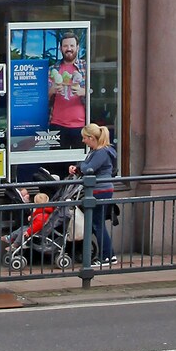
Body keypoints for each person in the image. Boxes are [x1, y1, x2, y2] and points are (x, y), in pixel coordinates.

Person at [70, 122, 117, 265]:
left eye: (85, 138)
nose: (83, 140)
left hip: (100, 190)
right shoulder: (97, 151)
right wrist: (78, 167)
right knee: (97, 223)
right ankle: (109, 255)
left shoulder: (101, 152)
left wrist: (80, 166)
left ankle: (106, 257)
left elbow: (88, 168)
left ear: (91, 138)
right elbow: (86, 168)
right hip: (100, 189)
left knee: (98, 224)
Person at [46, 32, 87, 149]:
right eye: (65, 46)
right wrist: (52, 90)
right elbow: (43, 98)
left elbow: (97, 93)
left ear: (77, 47)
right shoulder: (52, 69)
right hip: (57, 124)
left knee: (80, 160)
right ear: (60, 49)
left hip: (82, 125)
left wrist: (83, 92)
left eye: (72, 45)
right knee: (57, 160)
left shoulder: (86, 67)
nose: (69, 49)